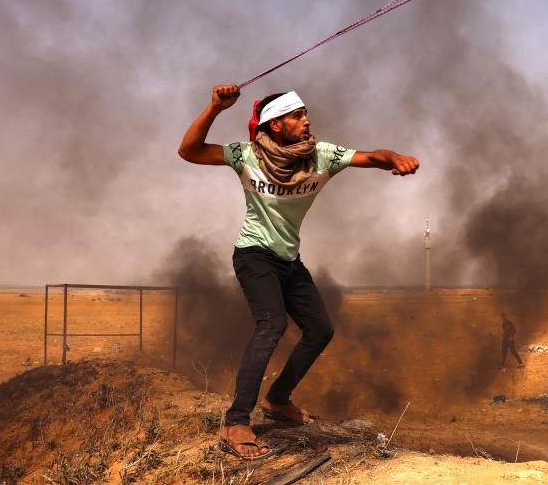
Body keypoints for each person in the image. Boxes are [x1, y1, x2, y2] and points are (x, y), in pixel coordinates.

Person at [178, 84, 419, 460]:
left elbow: (373, 156)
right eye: (297, 116)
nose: (306, 121)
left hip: (288, 259)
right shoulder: (247, 155)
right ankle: (236, 421)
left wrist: (395, 158)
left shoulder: (321, 155)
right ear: (275, 125)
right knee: (271, 324)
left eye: (306, 114)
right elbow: (189, 151)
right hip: (254, 254)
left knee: (321, 329)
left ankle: (277, 399)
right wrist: (214, 108)